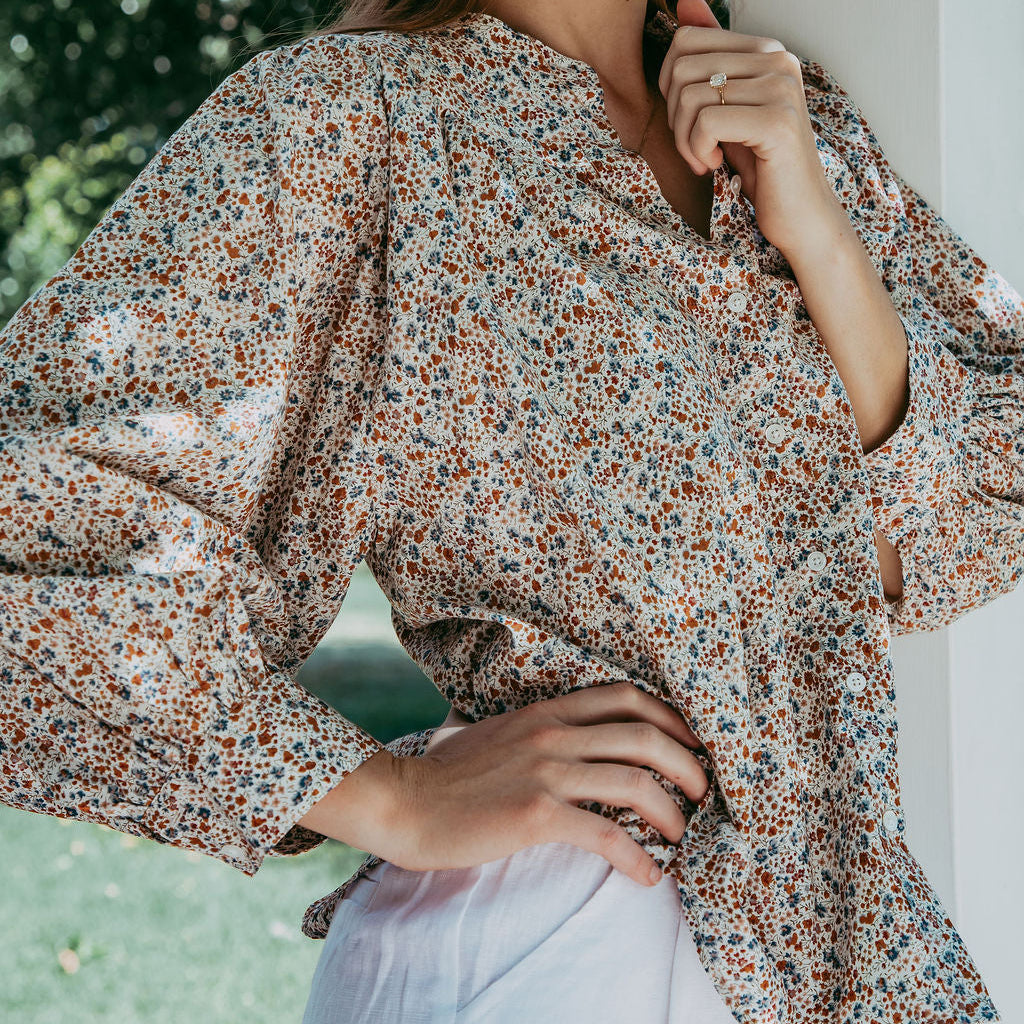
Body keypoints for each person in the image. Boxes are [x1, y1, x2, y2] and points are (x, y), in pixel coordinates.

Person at [0, 0, 1019, 1020]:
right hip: (551, 943)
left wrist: (821, 237)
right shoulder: (353, 114)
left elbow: (965, 528)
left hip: (834, 958)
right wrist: (389, 797)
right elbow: (32, 540)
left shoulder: (789, 115)